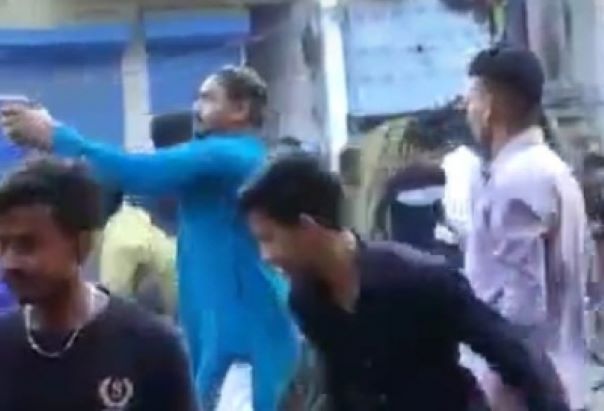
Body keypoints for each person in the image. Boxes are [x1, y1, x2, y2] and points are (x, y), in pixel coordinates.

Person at [0, 66, 298, 411]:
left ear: (241, 109)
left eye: (208, 98)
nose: (196, 107)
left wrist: (56, 136)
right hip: (224, 334)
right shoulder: (219, 164)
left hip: (242, 339)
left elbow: (137, 172)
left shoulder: (229, 156)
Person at [239, 154, 570, 411]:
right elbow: (338, 390)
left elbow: (515, 355)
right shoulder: (307, 301)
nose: (265, 256)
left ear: (308, 228)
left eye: (268, 239)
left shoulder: (419, 280)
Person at [0, 158, 196, 410]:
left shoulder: (151, 348)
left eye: (27, 245)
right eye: (2, 244)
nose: (9, 262)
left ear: (82, 245)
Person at [464, 46, 589, 409]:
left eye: (472, 97)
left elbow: (521, 304)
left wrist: (501, 384)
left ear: (489, 106)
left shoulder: (518, 179)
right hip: (556, 374)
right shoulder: (547, 168)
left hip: (524, 389)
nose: (467, 108)